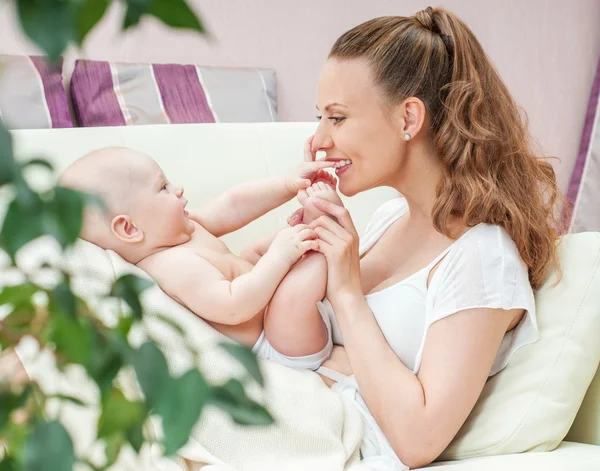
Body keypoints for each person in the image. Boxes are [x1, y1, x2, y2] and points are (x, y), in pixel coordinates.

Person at [286, 6, 564, 470]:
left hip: (323, 433)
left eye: (336, 118)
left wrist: (348, 294)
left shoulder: (483, 256)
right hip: (290, 402)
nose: (317, 140)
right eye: (320, 117)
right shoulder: (390, 218)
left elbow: (418, 438)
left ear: (408, 118)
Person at [59, 146, 343, 370]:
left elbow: (233, 204)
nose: (178, 189)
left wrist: (289, 184)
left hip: (279, 314)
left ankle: (312, 226)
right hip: (279, 342)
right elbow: (234, 306)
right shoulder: (170, 267)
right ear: (130, 228)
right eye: (163, 188)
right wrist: (281, 256)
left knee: (261, 249)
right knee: (289, 280)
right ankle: (323, 223)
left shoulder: (183, 229)